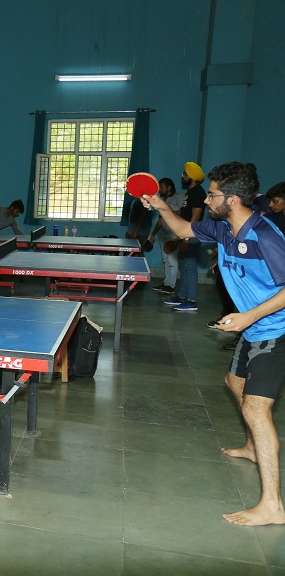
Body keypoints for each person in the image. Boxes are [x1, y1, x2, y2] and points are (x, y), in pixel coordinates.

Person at [142, 161, 285, 526]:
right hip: (254, 329)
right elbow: (182, 228)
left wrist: (248, 316)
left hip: (277, 330)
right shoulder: (222, 230)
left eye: (213, 194)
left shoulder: (266, 236)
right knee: (233, 383)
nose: (206, 200)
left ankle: (273, 506)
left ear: (232, 199)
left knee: (256, 409)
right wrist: (160, 205)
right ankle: (253, 447)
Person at [163, 161, 206, 312]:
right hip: (185, 233)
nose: (182, 176)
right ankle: (182, 296)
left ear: (192, 177)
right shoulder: (189, 193)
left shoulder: (198, 193)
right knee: (183, 265)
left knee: (189, 266)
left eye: (185, 174)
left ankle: (191, 301)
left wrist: (187, 238)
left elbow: (196, 216)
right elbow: (185, 215)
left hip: (192, 234)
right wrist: (179, 236)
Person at [148, 178, 185, 295]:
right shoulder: (163, 200)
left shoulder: (179, 197)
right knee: (166, 260)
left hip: (174, 234)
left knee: (172, 260)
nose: (160, 189)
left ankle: (171, 286)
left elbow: (184, 211)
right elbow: (160, 220)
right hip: (164, 234)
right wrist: (153, 233)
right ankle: (166, 283)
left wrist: (168, 212)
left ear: (169, 187)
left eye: (162, 187)